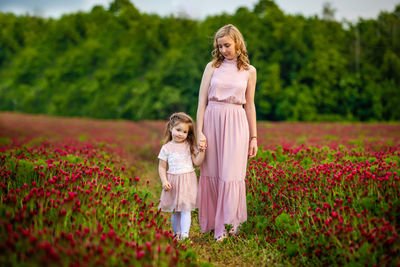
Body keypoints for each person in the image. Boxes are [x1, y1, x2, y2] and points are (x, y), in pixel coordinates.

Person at [196, 24, 258, 242]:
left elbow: (249, 105)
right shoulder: (211, 67)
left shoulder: (250, 71)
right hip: (212, 121)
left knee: (231, 175)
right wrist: (199, 132)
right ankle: (211, 224)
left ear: (237, 43)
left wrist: (254, 137)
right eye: (219, 46)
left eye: (227, 45)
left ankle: (228, 227)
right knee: (211, 172)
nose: (223, 50)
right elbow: (201, 101)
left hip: (236, 124)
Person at [158, 112, 206, 240]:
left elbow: (197, 163)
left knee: (185, 209)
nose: (181, 134)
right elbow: (162, 167)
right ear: (170, 128)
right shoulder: (166, 148)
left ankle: (185, 235)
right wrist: (164, 181)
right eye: (178, 130)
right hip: (173, 180)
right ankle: (176, 234)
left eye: (185, 132)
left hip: (187, 180)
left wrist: (202, 152)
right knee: (175, 210)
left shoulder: (189, 146)